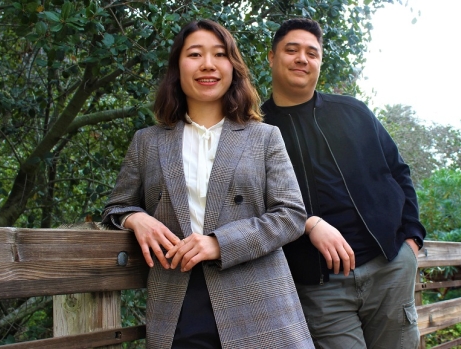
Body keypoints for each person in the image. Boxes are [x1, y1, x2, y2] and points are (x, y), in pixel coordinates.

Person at [102, 19, 314, 349]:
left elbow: (291, 215)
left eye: (219, 54)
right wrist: (135, 218)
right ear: (177, 67)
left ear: (232, 67)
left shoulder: (264, 136)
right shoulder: (148, 142)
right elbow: (116, 206)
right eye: (195, 54)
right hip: (177, 301)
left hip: (258, 301)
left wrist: (219, 243)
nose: (208, 65)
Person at [262, 18, 427, 349]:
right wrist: (309, 223)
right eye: (291, 50)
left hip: (388, 268)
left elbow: (398, 170)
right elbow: (250, 200)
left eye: (312, 52)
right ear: (272, 57)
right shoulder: (256, 128)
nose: (302, 59)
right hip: (320, 285)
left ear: (320, 61)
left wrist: (412, 240)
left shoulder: (352, 112)